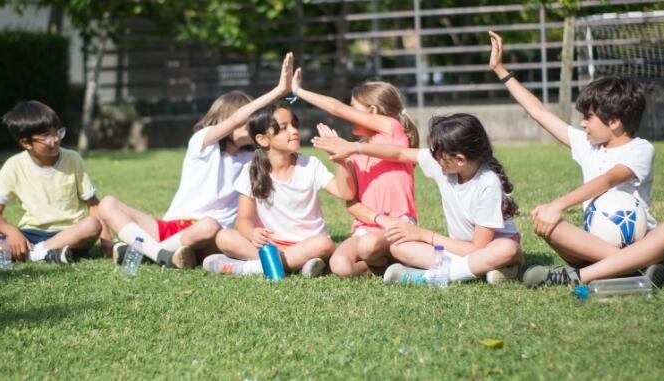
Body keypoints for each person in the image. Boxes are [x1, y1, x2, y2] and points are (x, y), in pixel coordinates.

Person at [488, 31, 664, 287]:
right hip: (594, 245)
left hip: (639, 239)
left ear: (614, 121)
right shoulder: (587, 144)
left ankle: (582, 276)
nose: (582, 124)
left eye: (589, 117)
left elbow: (608, 179)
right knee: (545, 222)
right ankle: (637, 265)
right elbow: (538, 112)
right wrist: (499, 69)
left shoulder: (641, 149)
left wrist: (559, 204)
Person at [97, 53, 295, 269]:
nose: (251, 124)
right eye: (247, 119)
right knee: (108, 204)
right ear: (226, 120)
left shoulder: (253, 159)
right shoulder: (203, 142)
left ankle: (147, 252)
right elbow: (236, 119)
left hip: (209, 235)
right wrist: (277, 91)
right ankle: (163, 255)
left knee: (209, 225)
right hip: (170, 227)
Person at [313, 114, 523, 285]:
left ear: (459, 159)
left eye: (438, 154)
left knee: (507, 249)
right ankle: (483, 271)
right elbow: (399, 154)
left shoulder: (488, 183)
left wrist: (424, 235)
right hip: (457, 250)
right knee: (398, 247)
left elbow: (477, 248)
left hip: (486, 250)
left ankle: (429, 277)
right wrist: (354, 147)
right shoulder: (445, 166)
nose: (433, 158)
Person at [290, 68, 418, 277]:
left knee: (368, 246)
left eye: (354, 109)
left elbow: (336, 108)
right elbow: (351, 201)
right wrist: (339, 157)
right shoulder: (353, 153)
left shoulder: (391, 128)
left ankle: (398, 255)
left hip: (399, 224)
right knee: (340, 265)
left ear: (373, 111)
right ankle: (386, 265)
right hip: (369, 227)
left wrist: (298, 91)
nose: (349, 113)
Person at [203, 102, 355, 277]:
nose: (294, 131)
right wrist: (252, 233)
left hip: (307, 243)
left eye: (294, 124)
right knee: (224, 237)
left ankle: (251, 268)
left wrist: (339, 158)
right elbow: (243, 219)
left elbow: (346, 193)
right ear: (262, 139)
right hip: (271, 245)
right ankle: (295, 264)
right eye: (283, 128)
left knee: (324, 244)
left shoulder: (310, 165)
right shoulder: (251, 170)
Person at [0, 100, 106, 264]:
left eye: (57, 132)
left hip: (70, 233)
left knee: (91, 225)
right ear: (26, 143)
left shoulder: (73, 159)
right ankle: (47, 254)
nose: (55, 140)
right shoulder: (13, 165)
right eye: (46, 136)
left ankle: (25, 254)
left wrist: (106, 240)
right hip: (29, 234)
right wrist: (12, 232)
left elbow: (94, 205)